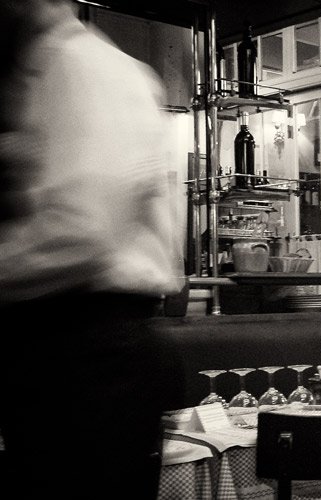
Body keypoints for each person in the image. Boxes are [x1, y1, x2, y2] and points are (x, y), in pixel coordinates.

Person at [0, 1, 184, 497]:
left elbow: (81, 232)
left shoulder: (80, 66)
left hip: (88, 350)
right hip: (73, 349)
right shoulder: (41, 77)